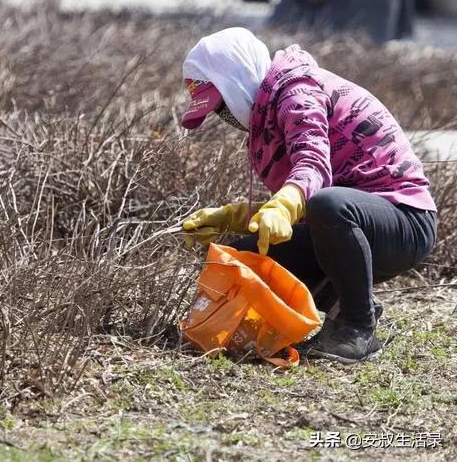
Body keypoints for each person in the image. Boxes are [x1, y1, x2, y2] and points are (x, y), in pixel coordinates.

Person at [180, 28, 437, 364]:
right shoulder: (268, 115)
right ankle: (343, 301)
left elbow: (313, 167)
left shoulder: (296, 92)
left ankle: (357, 327)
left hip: (404, 222)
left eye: (221, 104)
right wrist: (234, 216)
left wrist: (284, 206)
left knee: (329, 205)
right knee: (243, 254)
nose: (223, 116)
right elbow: (302, 207)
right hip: (349, 225)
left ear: (238, 79)